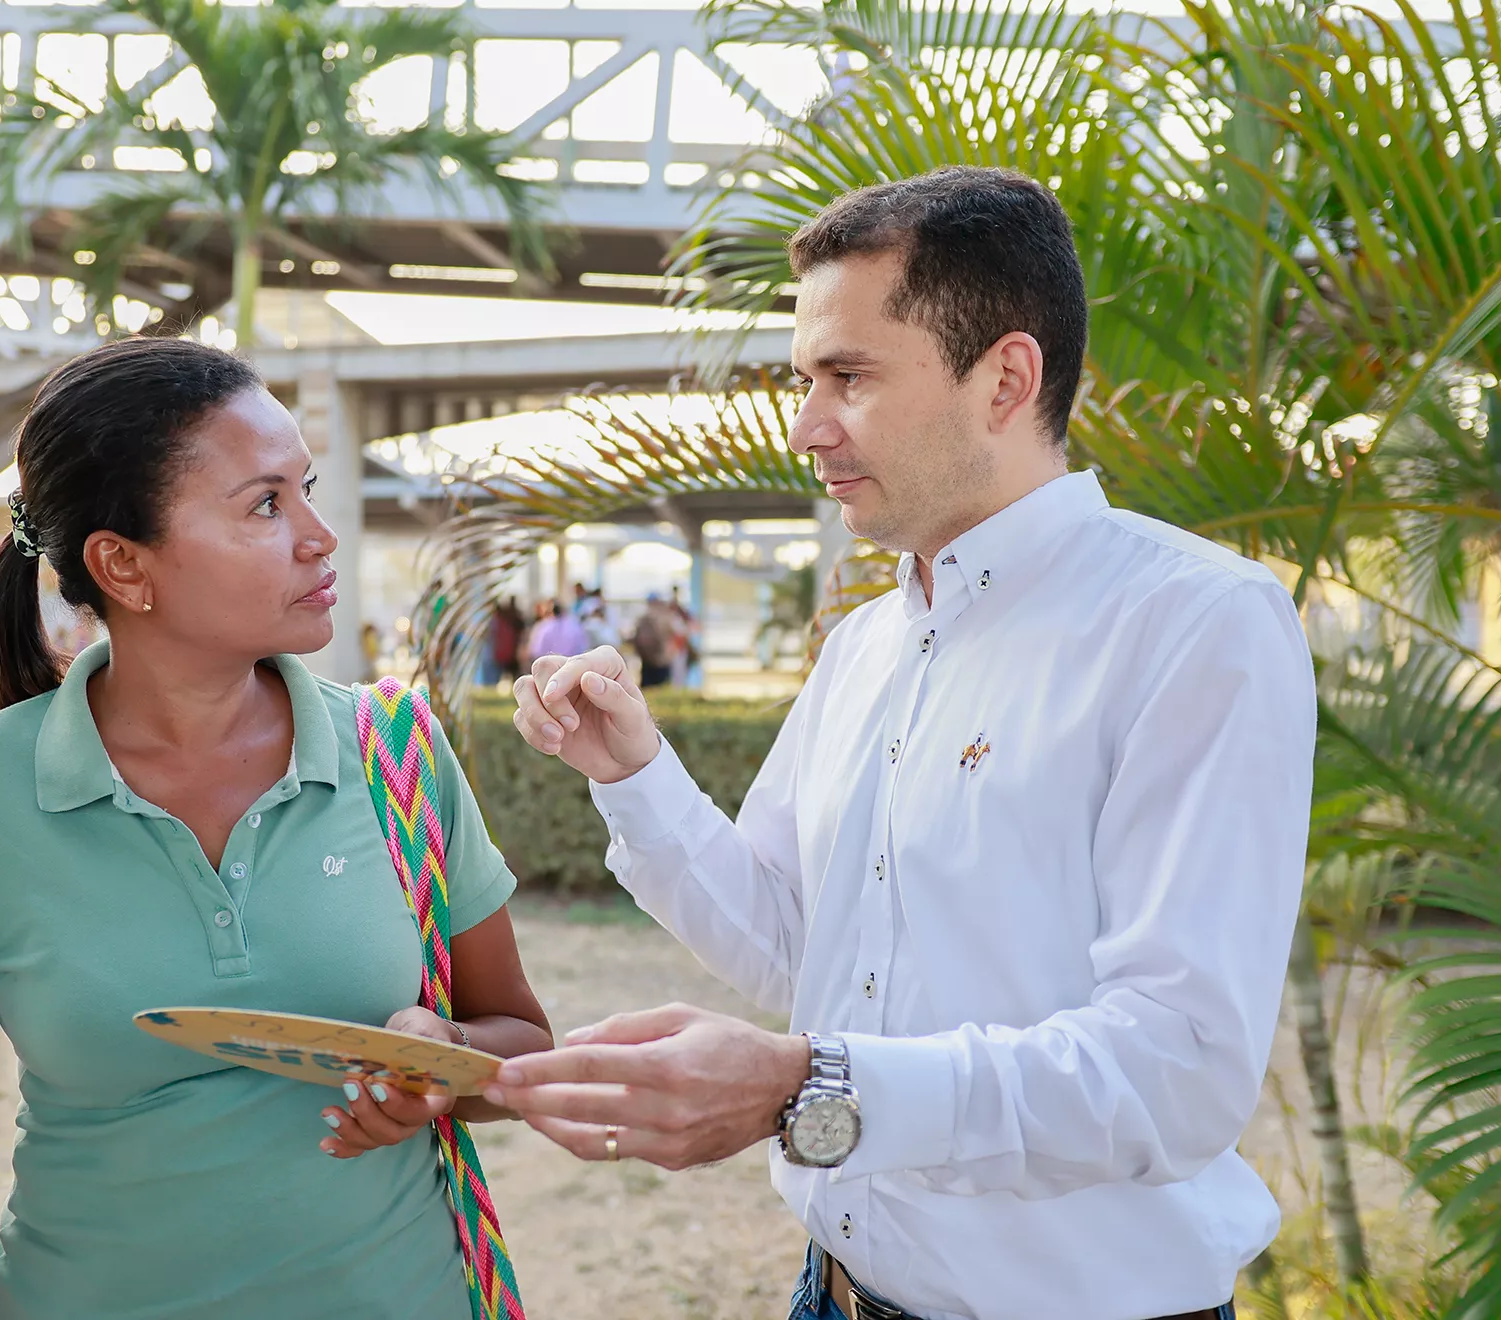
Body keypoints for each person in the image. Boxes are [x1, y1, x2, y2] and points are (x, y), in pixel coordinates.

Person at [492, 168, 1315, 1320]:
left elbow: (1175, 1071)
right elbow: (796, 946)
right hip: (830, 1292)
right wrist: (634, 774)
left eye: (850, 377)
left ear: (1006, 379)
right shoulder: (871, 642)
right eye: (803, 378)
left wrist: (805, 1086)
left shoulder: (1194, 625)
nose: (805, 425)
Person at [0, 337, 551, 1319]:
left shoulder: (396, 752)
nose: (321, 535)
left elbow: (523, 1042)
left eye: (306, 487)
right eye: (266, 504)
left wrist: (439, 1061)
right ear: (123, 565)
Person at [631, 595, 675, 689]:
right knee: (663, 689)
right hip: (661, 661)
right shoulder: (665, 617)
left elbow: (636, 639)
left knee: (647, 691)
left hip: (647, 661)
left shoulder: (642, 619)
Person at [527, 597, 590, 661]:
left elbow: (536, 651)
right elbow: (582, 646)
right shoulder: (575, 624)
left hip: (549, 664)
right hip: (572, 663)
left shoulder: (542, 627)